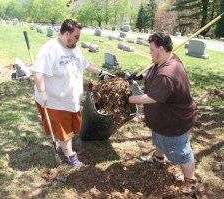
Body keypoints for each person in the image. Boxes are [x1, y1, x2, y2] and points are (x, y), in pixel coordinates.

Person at [32, 19, 113, 169]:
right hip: (54, 100)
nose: (78, 40)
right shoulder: (50, 49)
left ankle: (63, 147)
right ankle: (71, 157)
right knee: (64, 131)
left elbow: (86, 64)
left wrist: (102, 72)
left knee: (70, 127)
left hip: (71, 99)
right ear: (66, 33)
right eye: (76, 36)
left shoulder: (73, 48)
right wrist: (43, 94)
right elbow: (38, 73)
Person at [123, 32, 198, 193]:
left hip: (174, 121)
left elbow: (151, 98)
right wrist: (141, 76)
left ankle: (190, 181)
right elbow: (152, 70)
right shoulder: (166, 59)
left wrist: (127, 100)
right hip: (161, 119)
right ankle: (158, 158)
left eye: (151, 49)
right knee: (158, 137)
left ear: (161, 48)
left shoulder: (167, 74)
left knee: (181, 152)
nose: (150, 53)